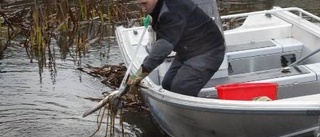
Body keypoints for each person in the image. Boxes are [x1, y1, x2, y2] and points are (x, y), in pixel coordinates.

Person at [127, 0, 225, 97]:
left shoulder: (172, 9)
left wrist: (140, 73)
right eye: (139, 5)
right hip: (188, 51)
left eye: (144, 4)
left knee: (181, 89)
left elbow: (163, 47)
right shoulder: (158, 7)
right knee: (167, 85)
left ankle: (193, 111)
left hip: (209, 51)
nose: (143, 9)